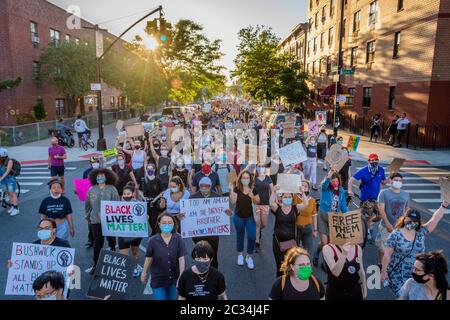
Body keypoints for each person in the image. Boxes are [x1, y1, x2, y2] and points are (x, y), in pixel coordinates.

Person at [381, 204, 447, 297]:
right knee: (402, 296)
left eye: (415, 221)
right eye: (409, 220)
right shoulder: (396, 234)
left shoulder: (421, 232)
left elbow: (435, 218)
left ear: (418, 222)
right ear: (404, 219)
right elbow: (387, 255)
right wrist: (384, 272)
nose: (412, 222)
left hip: (418, 273)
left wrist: (444, 205)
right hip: (398, 274)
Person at [186, 177, 232, 270]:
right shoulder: (192, 198)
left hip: (213, 234)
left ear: (210, 186)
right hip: (198, 233)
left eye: (206, 186)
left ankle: (214, 273)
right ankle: (200, 270)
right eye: (202, 185)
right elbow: (188, 214)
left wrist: (229, 213)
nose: (204, 187)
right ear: (199, 186)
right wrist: (182, 216)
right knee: (200, 254)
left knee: (213, 254)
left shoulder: (217, 197)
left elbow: (224, 214)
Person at [141, 212, 187, 300]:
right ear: (159, 224)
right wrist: (144, 273)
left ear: (174, 224)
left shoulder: (178, 238)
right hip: (158, 280)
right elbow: (148, 258)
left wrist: (181, 277)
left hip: (174, 279)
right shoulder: (152, 241)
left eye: (170, 222)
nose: (167, 225)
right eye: (164, 223)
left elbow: (181, 259)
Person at [85, 168, 120, 274]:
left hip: (109, 221)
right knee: (97, 243)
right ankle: (95, 264)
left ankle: (113, 257)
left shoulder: (112, 189)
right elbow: (87, 205)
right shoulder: (91, 190)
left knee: (112, 241)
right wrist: (88, 217)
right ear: (95, 178)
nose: (100, 178)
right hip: (95, 221)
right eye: (98, 176)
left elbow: (117, 204)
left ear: (107, 177)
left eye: (102, 176)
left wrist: (114, 217)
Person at [269, 186, 308, 277]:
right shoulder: (277, 209)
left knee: (290, 265)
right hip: (278, 243)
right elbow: (271, 202)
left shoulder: (295, 208)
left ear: (292, 198)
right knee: (280, 266)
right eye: (285, 197)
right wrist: (274, 191)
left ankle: (289, 284)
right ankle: (279, 285)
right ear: (281, 199)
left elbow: (305, 204)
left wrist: (302, 192)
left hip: (292, 243)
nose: (287, 198)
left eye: (289, 197)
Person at [348, 153, 388, 242]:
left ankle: (369, 225)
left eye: (376, 160)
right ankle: (368, 232)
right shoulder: (364, 170)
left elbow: (383, 182)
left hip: (377, 199)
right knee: (368, 217)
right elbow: (351, 180)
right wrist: (350, 190)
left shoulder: (381, 170)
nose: (374, 162)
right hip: (367, 199)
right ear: (369, 161)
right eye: (372, 160)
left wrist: (390, 179)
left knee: (380, 215)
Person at [313, 168, 349, 266]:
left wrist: (348, 215)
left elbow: (343, 206)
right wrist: (330, 174)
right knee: (325, 243)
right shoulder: (326, 188)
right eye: (333, 182)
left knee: (330, 243)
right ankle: (326, 264)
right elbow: (324, 184)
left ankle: (318, 253)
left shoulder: (341, 191)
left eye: (336, 181)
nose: (335, 183)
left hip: (334, 219)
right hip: (323, 217)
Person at [229, 170, 260, 270]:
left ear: (250, 179)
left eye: (247, 178)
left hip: (250, 217)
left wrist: (252, 196)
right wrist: (231, 190)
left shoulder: (253, 189)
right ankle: (240, 255)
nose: (245, 179)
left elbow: (258, 201)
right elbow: (233, 202)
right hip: (238, 217)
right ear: (240, 179)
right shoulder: (237, 188)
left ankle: (249, 256)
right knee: (240, 236)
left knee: (252, 237)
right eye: (243, 178)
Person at [376, 173, 410, 266]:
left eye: (400, 181)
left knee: (396, 249)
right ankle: (381, 264)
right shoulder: (383, 193)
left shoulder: (406, 194)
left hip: (400, 227)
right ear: (390, 180)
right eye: (396, 180)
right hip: (386, 226)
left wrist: (405, 223)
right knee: (383, 248)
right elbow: (381, 209)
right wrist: (387, 224)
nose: (398, 182)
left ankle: (390, 266)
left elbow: (406, 209)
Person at [117, 184, 143, 278]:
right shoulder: (117, 205)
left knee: (135, 252)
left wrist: (145, 217)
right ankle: (127, 268)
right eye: (124, 194)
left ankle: (135, 265)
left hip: (135, 233)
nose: (126, 195)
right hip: (122, 233)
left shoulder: (138, 205)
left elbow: (142, 217)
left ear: (132, 194)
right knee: (123, 254)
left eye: (128, 193)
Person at [253, 162, 274, 252]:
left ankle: (259, 231)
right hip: (256, 204)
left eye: (262, 166)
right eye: (259, 166)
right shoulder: (253, 179)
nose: (261, 168)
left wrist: (274, 201)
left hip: (265, 204)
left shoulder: (268, 178)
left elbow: (272, 191)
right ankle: (257, 243)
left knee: (264, 224)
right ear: (256, 167)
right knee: (257, 224)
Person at [295, 180, 318, 256]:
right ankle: (293, 267)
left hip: (308, 229)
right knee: (294, 253)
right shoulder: (294, 197)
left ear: (309, 189)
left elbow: (314, 216)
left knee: (308, 253)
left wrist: (315, 230)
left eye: (306, 186)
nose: (303, 188)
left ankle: (305, 268)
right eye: (302, 185)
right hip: (295, 228)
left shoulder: (312, 201)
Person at [140, 162, 163, 236]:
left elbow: (162, 191)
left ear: (154, 170)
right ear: (146, 170)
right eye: (148, 169)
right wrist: (143, 198)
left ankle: (155, 232)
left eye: (151, 169)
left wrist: (155, 199)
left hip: (155, 202)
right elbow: (140, 190)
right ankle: (154, 231)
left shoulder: (158, 180)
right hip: (146, 202)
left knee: (154, 219)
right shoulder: (143, 180)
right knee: (149, 219)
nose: (150, 170)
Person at [0, 148, 19, 216]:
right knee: (8, 193)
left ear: (3, 156)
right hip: (3, 180)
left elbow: (7, 172)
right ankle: (12, 206)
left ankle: (16, 208)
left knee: (12, 193)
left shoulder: (9, 161)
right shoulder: (0, 161)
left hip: (10, 179)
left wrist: (1, 178)